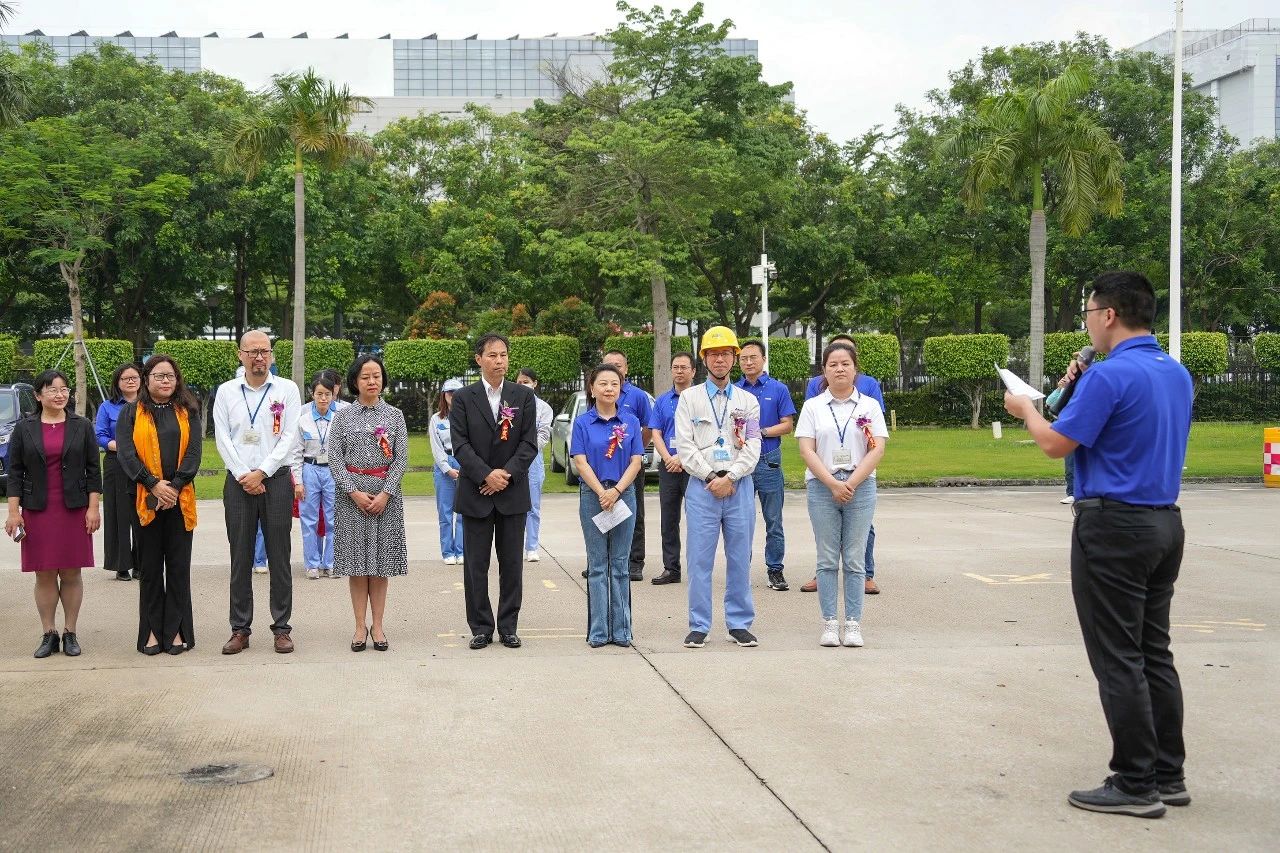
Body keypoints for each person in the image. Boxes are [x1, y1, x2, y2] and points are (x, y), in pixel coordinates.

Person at [1003, 271, 1193, 819]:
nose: (1087, 320)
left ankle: (1134, 781)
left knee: (1118, 656)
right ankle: (1167, 771)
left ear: (1109, 315)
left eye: (1088, 312)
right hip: (1163, 523)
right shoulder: (1173, 372)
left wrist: (1027, 409)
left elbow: (1056, 444)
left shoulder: (1110, 377)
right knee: (1154, 650)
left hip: (1113, 527)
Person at [213, 330, 302, 655]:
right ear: (240, 355)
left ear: (272, 355)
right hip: (238, 484)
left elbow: (290, 435)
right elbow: (221, 437)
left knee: (279, 556)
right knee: (240, 557)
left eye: (264, 351)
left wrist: (262, 472)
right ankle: (240, 629)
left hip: (276, 481)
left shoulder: (287, 390)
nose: (259, 357)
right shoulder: (226, 392)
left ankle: (281, 628)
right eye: (252, 351)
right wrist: (243, 475)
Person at [795, 341, 888, 648]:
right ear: (824, 370)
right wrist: (833, 483)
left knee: (854, 558)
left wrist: (851, 482)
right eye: (832, 364)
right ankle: (830, 623)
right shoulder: (813, 407)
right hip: (822, 487)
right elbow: (806, 449)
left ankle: (853, 623)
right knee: (826, 558)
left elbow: (877, 449)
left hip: (861, 487)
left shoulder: (869, 406)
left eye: (845, 363)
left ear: (855, 368)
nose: (839, 369)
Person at [674, 326, 762, 648]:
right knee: (699, 559)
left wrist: (733, 477)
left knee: (740, 557)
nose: (720, 359)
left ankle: (739, 623)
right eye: (714, 354)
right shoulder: (689, 398)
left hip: (738, 486)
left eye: (726, 353)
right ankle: (699, 624)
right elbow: (684, 446)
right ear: (705, 359)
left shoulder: (747, 401)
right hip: (702, 488)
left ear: (734, 358)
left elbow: (753, 444)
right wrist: (712, 478)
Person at [450, 333, 539, 650]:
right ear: (479, 359)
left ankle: (509, 625)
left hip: (512, 493)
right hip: (476, 493)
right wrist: (485, 475)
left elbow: (529, 443)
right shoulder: (463, 398)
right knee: (476, 566)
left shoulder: (522, 397)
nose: (499, 361)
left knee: (512, 564)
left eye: (503, 355)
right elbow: (459, 444)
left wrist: (506, 475)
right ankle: (481, 627)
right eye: (492, 355)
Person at [4, 370, 101, 658]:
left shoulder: (81, 425)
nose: (60, 395)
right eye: (52, 389)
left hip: (74, 508)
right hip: (37, 509)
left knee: (71, 572)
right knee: (44, 574)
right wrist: (13, 512)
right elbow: (15, 472)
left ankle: (70, 631)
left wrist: (93, 508)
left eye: (64, 389)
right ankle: (49, 633)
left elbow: (94, 470)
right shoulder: (25, 428)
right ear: (37, 395)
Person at [116, 355, 202, 655]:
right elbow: (126, 454)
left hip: (180, 500)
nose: (165, 380)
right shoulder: (130, 412)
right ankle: (152, 630)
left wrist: (174, 486)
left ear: (177, 380)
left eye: (170, 376)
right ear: (146, 378)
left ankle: (177, 629)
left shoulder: (188, 410)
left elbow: (194, 453)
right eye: (158, 375)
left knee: (178, 568)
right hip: (144, 498)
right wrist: (153, 483)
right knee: (150, 568)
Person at [328, 355, 409, 652]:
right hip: (352, 498)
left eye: (376, 376)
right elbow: (335, 458)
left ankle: (379, 625)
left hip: (386, 497)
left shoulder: (395, 415)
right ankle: (359, 626)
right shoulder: (343, 416)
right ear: (355, 382)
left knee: (380, 565)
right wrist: (354, 492)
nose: (372, 381)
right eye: (365, 377)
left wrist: (386, 492)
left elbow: (401, 459)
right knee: (357, 566)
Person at [571, 364, 645, 647]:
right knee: (598, 564)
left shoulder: (631, 422)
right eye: (603, 383)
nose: (609, 388)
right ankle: (599, 631)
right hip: (593, 496)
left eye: (614, 384)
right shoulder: (582, 423)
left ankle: (622, 631)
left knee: (620, 564)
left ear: (620, 389)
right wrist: (602, 491)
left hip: (623, 495)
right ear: (592, 388)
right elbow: (580, 461)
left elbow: (636, 461)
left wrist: (616, 491)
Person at [735, 340, 797, 592]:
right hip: (741, 462)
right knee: (741, 520)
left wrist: (759, 432)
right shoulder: (734, 390)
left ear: (763, 359)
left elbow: (788, 424)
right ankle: (740, 573)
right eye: (744, 359)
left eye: (753, 357)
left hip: (768, 459)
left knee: (773, 520)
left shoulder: (778, 389)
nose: (748, 362)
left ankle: (775, 570)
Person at [602, 350, 653, 581]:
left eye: (618, 365)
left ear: (626, 369)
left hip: (631, 464)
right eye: (609, 365)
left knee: (634, 511)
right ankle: (604, 559)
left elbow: (648, 427)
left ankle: (635, 561)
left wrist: (636, 449)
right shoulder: (599, 393)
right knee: (602, 508)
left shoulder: (638, 396)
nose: (614, 368)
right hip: (603, 464)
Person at [648, 352, 696, 585]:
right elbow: (656, 432)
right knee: (669, 519)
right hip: (669, 466)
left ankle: (697, 567)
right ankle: (671, 568)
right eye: (675, 367)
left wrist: (684, 458)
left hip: (694, 466)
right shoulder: (662, 401)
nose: (679, 371)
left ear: (693, 371)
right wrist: (669, 458)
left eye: (684, 367)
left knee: (697, 518)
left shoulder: (700, 399)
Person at [96, 362, 142, 581]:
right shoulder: (107, 407)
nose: (131, 381)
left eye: (134, 377)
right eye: (125, 378)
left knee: (144, 514)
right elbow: (101, 436)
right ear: (117, 383)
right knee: (118, 514)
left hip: (145, 464)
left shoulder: (148, 405)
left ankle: (142, 564)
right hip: (117, 463)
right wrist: (122, 446)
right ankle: (121, 564)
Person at [297, 371, 345, 579]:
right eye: (319, 394)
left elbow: (346, 450)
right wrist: (298, 481)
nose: (323, 398)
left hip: (333, 470)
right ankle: (312, 564)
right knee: (309, 519)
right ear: (312, 395)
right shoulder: (303, 420)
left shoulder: (340, 419)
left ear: (333, 395)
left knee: (334, 518)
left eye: (327, 394)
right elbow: (296, 452)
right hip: (310, 469)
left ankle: (331, 562)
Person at [517, 367, 554, 562]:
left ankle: (531, 546)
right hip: (511, 459)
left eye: (526, 382)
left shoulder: (544, 408)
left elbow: (543, 435)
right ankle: (513, 545)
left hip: (533, 459)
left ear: (535, 384)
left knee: (533, 505)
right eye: (519, 382)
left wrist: (525, 452)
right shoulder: (510, 405)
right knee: (513, 505)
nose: (522, 385)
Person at [429, 378, 465, 565]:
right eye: (450, 392)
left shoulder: (468, 416)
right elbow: (436, 447)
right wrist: (447, 468)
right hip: (445, 463)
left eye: (457, 393)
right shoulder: (437, 419)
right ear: (444, 395)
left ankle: (461, 550)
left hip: (464, 461)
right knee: (445, 512)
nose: (453, 396)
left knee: (463, 512)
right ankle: (447, 552)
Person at [1046, 361, 1082, 505]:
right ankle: (1072, 492)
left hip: (1076, 428)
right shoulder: (1065, 389)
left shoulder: (1079, 388)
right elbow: (1050, 403)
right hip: (1066, 430)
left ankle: (1078, 492)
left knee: (1078, 462)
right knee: (1070, 463)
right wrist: (1060, 388)